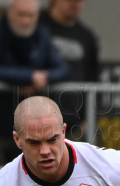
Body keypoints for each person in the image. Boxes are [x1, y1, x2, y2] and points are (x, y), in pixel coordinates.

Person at [0, 0, 70, 165]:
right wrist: (28, 78)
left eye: (30, 15)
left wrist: (40, 79)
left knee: (28, 177)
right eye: (21, 15)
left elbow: (63, 69)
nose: (26, 21)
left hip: (28, 126)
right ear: (8, 12)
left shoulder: (41, 35)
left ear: (37, 15)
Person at [39, 0, 100, 140]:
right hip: (37, 121)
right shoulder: (37, 27)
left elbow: (93, 79)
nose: (75, 3)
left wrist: (87, 118)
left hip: (72, 125)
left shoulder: (86, 36)